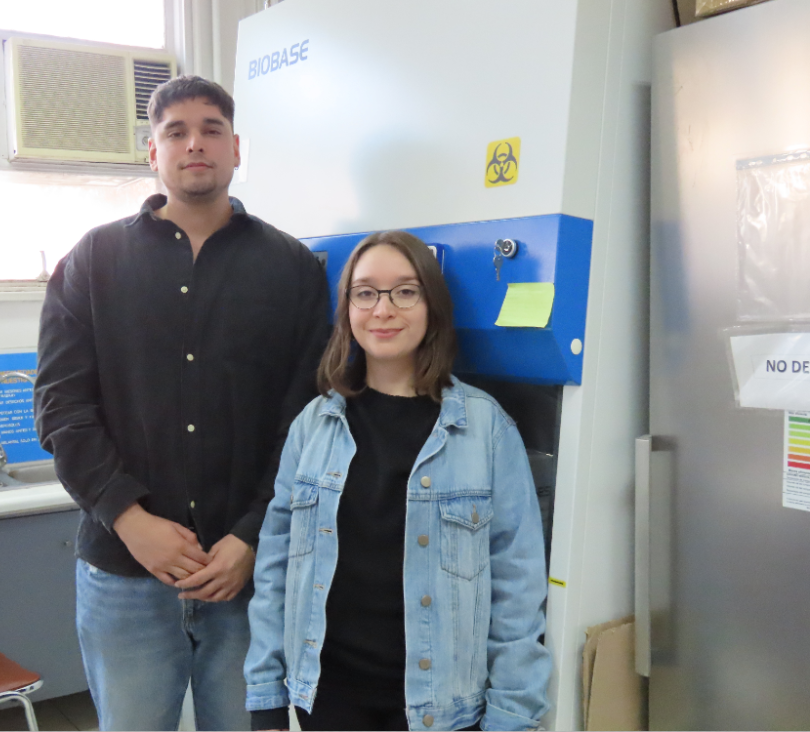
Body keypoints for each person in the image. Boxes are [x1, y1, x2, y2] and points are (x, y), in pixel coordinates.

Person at [35, 75, 331, 731]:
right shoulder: (93, 261)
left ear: (235, 150)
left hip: (249, 580)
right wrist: (130, 519)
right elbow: (61, 410)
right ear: (153, 152)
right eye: (176, 131)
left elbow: (307, 420)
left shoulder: (293, 269)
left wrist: (253, 535)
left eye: (211, 129)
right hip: (125, 576)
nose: (194, 143)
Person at [244, 231, 551, 731]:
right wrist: (264, 692)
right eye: (365, 292)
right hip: (328, 698)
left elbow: (518, 587)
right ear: (347, 309)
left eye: (405, 292)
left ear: (432, 306)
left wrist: (512, 712)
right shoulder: (313, 426)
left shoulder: (485, 428)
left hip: (442, 706)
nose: (383, 309)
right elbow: (275, 570)